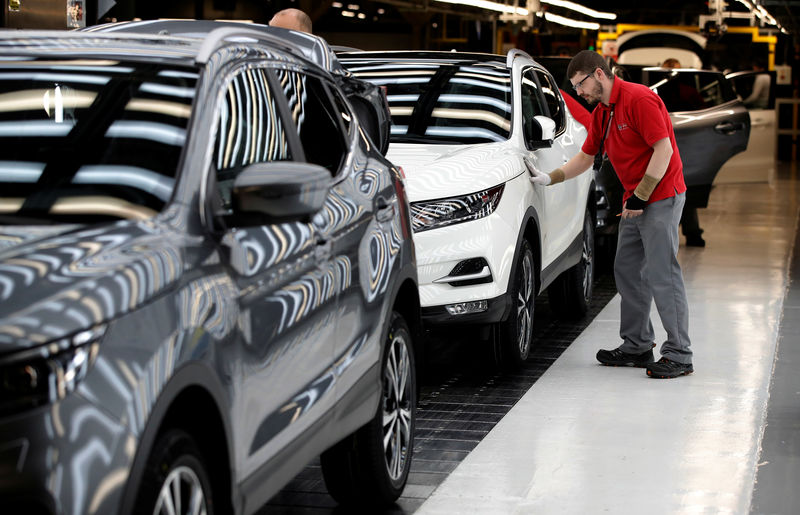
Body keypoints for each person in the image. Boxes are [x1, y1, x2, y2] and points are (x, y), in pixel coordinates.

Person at [528, 50, 693, 379]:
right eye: (574, 88)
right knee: (628, 270)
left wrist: (641, 196)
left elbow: (664, 150)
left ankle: (679, 354)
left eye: (580, 85)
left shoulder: (639, 100)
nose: (579, 93)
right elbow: (586, 156)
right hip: (637, 199)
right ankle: (637, 344)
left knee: (663, 274)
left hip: (660, 196)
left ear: (599, 75)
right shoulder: (604, 111)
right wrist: (549, 178)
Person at [661, 57, 706, 247]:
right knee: (681, 188)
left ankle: (684, 231)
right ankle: (691, 232)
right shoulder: (689, 92)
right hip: (677, 147)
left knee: (677, 189)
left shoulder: (654, 92)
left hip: (676, 147)